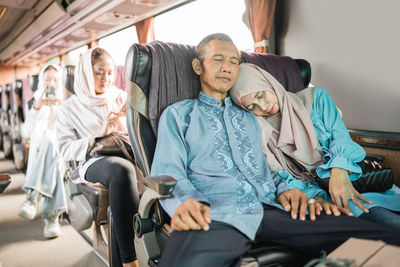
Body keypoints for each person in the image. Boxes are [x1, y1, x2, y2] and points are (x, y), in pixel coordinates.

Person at [150, 33, 400, 267]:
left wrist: (288, 190)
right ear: (197, 67)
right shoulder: (179, 115)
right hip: (217, 213)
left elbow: (265, 168)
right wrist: (185, 203)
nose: (227, 67)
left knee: (382, 237)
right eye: (218, 60)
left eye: (234, 61)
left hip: (275, 209)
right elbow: (168, 172)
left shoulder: (250, 118)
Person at [230, 63, 400, 230]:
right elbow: (276, 176)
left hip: (354, 178)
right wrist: (314, 198)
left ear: (268, 82)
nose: (264, 107)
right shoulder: (257, 133)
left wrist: (339, 171)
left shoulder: (317, 98)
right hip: (319, 198)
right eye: (252, 107)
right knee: (387, 224)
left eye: (260, 95)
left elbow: (341, 138)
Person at [56, 47, 139, 267]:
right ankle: (130, 260)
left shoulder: (121, 97)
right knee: (121, 170)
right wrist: (96, 136)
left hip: (125, 151)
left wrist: (129, 118)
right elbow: (64, 149)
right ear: (85, 72)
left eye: (110, 72)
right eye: (99, 72)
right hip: (91, 160)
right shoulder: (68, 108)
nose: (106, 78)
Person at [18, 64, 67, 239]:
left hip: (62, 145)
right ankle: (51, 219)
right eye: (47, 79)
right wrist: (38, 107)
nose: (51, 83)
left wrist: (63, 105)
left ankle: (32, 196)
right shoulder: (34, 101)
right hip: (41, 147)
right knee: (48, 145)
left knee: (52, 144)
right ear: (41, 81)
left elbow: (70, 128)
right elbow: (28, 131)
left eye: (55, 79)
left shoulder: (68, 100)